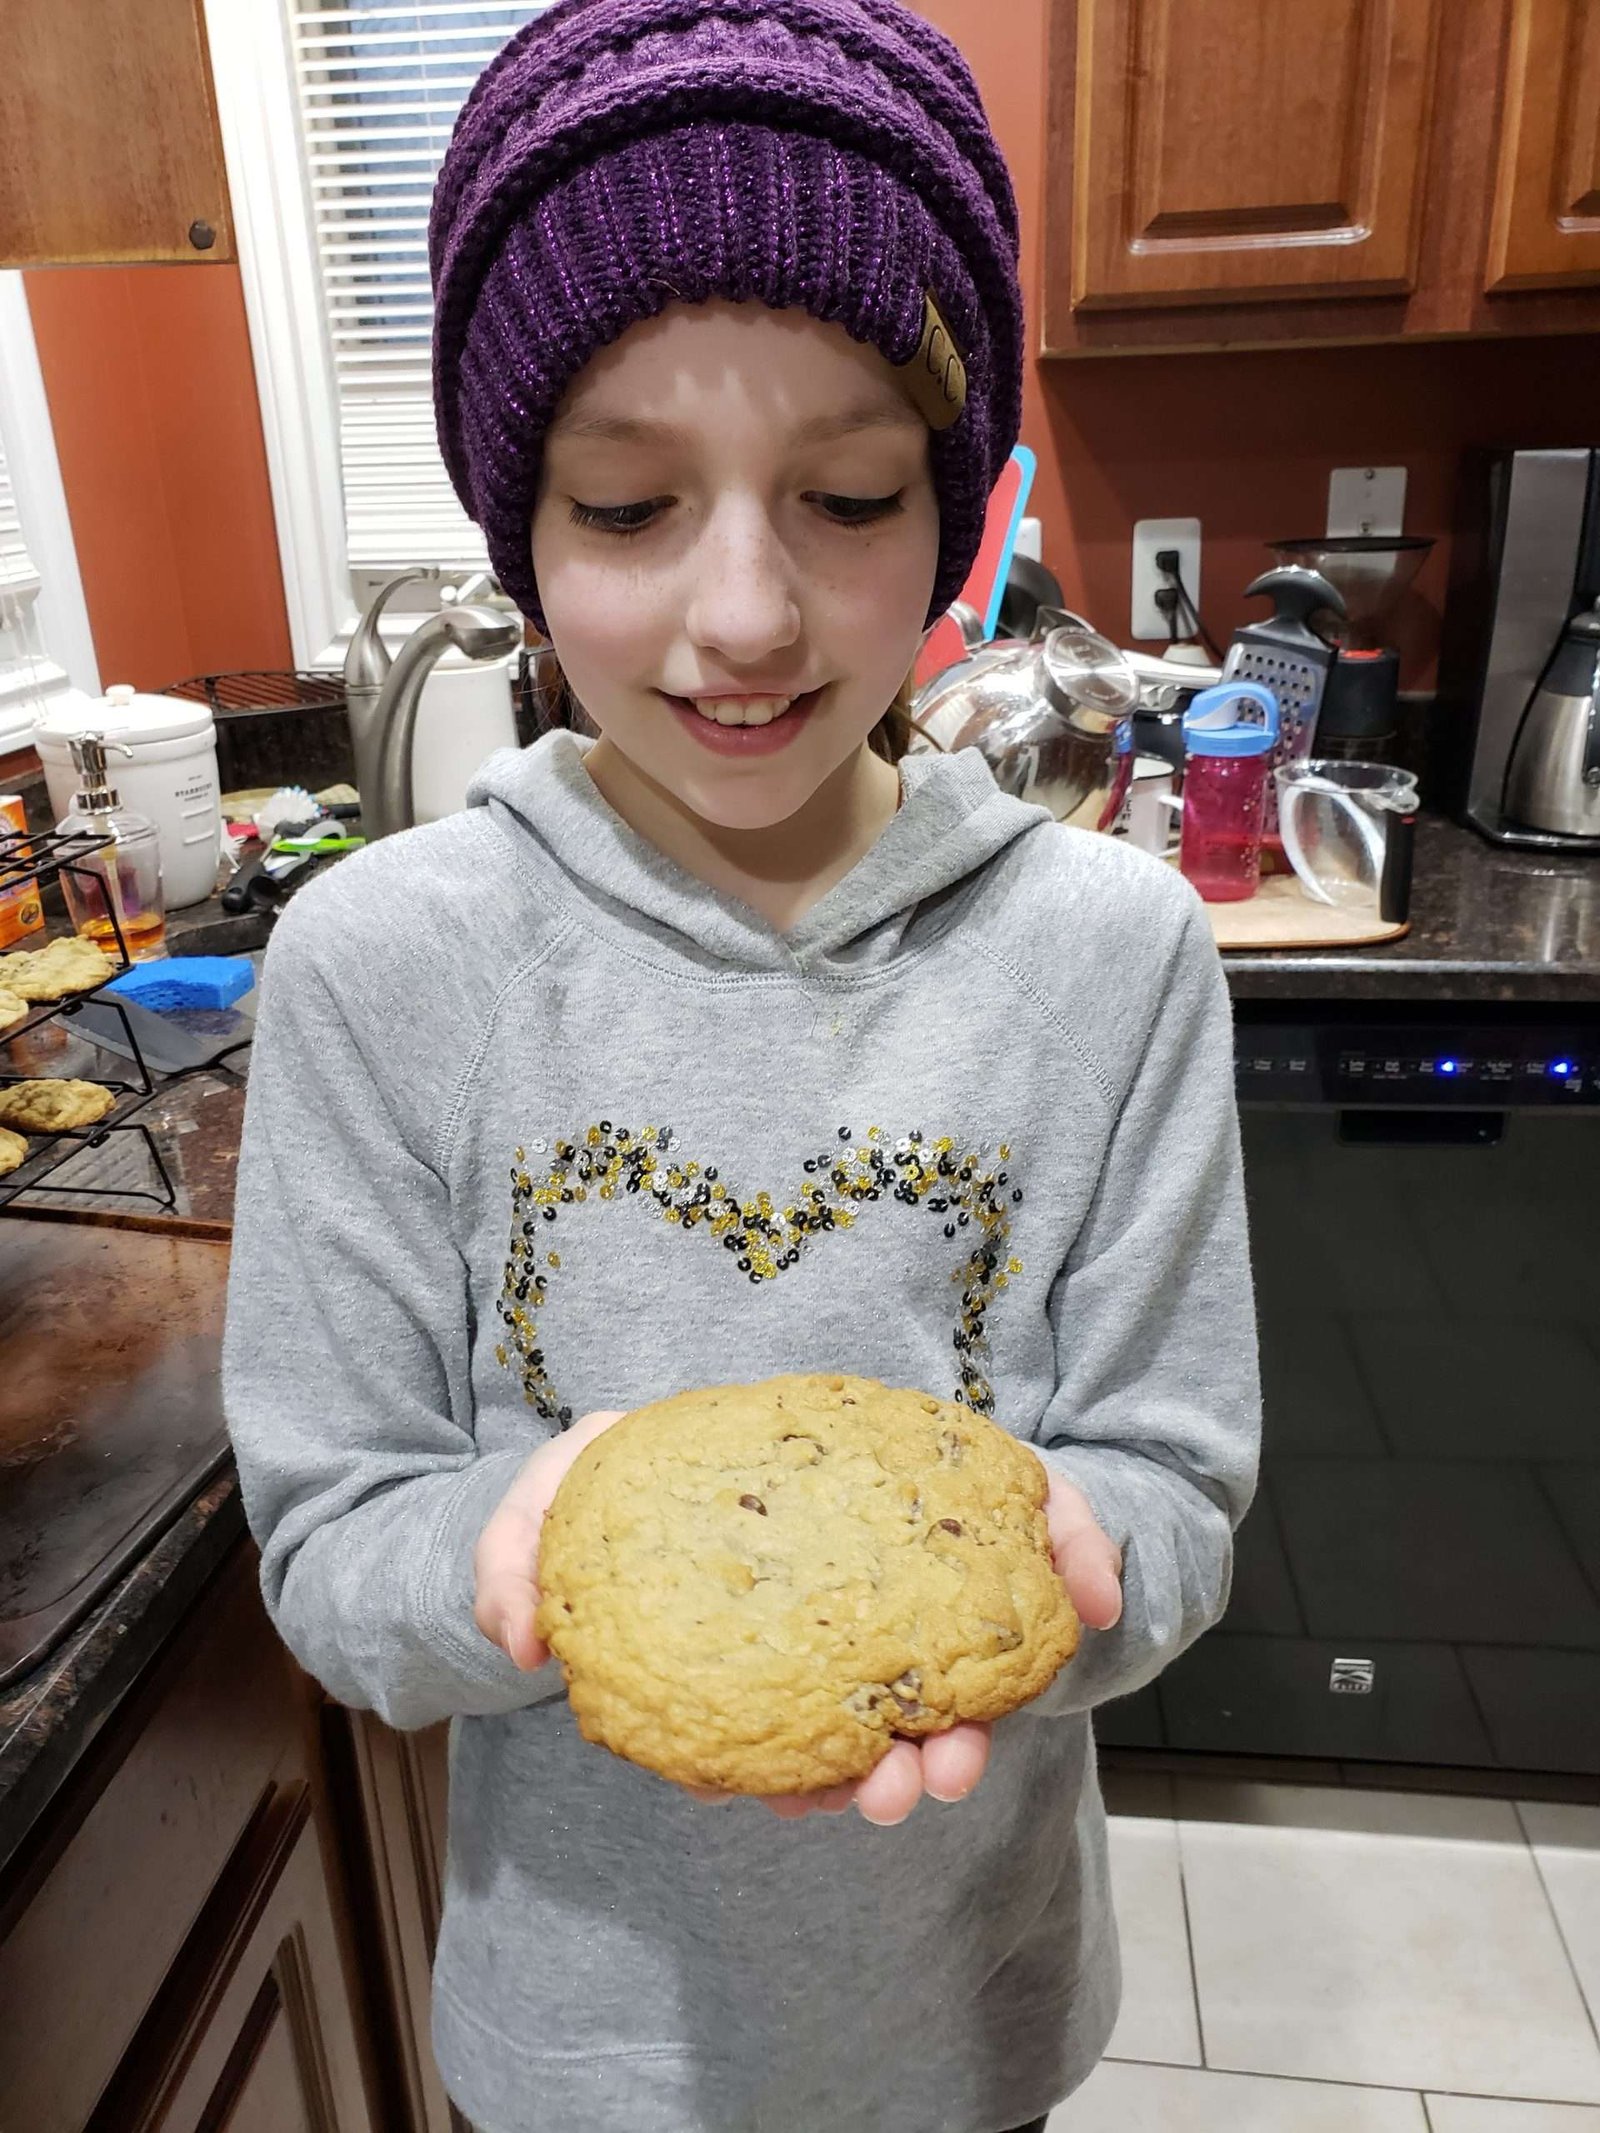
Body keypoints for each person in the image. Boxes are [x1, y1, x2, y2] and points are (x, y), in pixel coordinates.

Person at [222, 2, 1260, 2129]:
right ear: (519, 528)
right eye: (626, 503)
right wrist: (511, 1559)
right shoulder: (382, 966)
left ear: (952, 507)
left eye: (848, 494)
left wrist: (1074, 1566)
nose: (748, 614)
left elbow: (1174, 1480)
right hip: (575, 2044)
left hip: (970, 2015)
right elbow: (331, 1543)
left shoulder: (1110, 952)